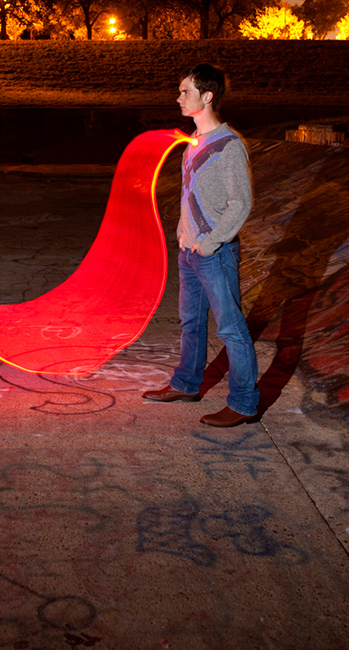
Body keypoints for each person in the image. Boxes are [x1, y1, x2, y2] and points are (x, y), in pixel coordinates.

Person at [143, 63, 259, 427]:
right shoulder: (193, 143)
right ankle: (187, 384)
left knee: (231, 329)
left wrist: (210, 243)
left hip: (214, 253)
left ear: (207, 97)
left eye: (185, 92)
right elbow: (190, 195)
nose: (178, 98)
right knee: (190, 322)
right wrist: (182, 233)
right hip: (189, 250)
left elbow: (241, 203)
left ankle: (243, 404)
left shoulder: (228, 145)